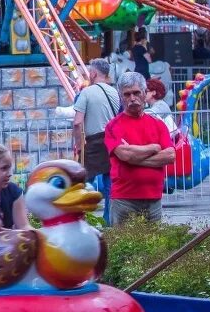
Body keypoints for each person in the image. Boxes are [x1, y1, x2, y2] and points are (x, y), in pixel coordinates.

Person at [104, 71, 175, 225]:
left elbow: (170, 155)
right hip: (124, 200)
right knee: (124, 247)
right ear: (121, 97)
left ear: (144, 93)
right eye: (127, 94)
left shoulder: (158, 124)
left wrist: (134, 158)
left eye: (136, 93)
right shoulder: (113, 126)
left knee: (156, 247)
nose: (132, 98)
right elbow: (125, 155)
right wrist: (154, 147)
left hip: (154, 199)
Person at [73, 58, 121, 209]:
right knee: (110, 184)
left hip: (93, 143)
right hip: (112, 141)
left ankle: (82, 219)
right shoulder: (115, 92)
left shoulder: (86, 93)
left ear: (93, 73)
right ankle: (110, 221)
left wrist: (79, 144)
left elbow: (77, 122)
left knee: (83, 182)